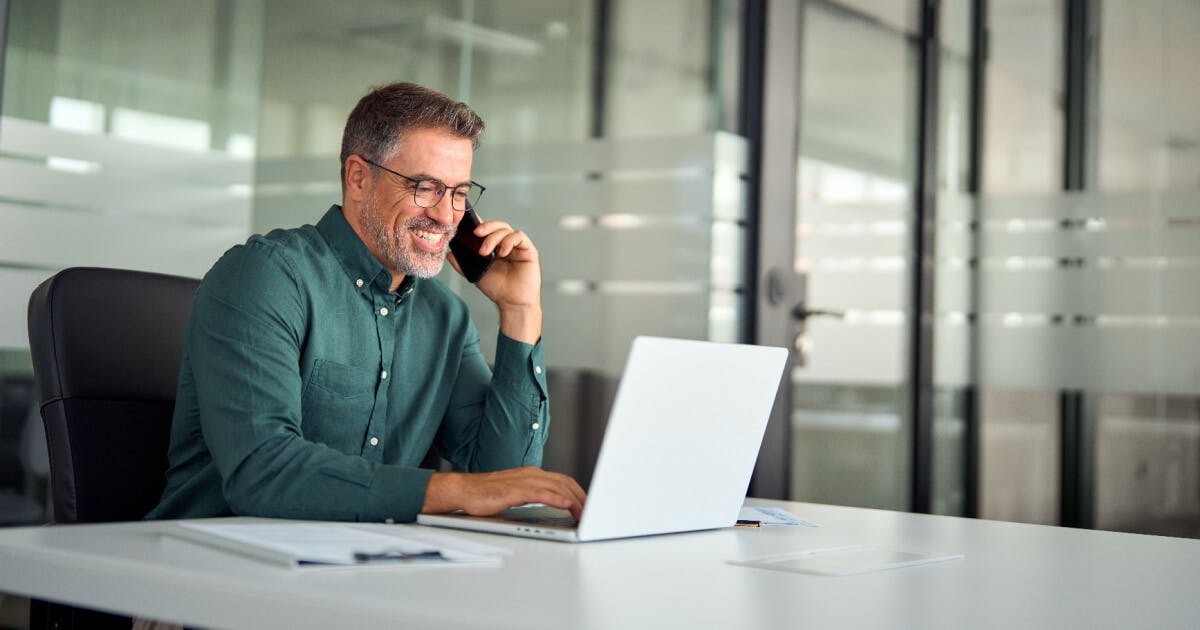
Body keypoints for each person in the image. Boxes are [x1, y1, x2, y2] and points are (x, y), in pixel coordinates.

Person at [145, 82, 585, 524]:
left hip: (361, 565)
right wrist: (450, 490)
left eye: (458, 192)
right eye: (426, 187)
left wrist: (521, 310)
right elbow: (264, 470)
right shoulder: (265, 276)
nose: (448, 215)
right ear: (358, 177)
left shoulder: (445, 317)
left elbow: (502, 479)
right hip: (213, 563)